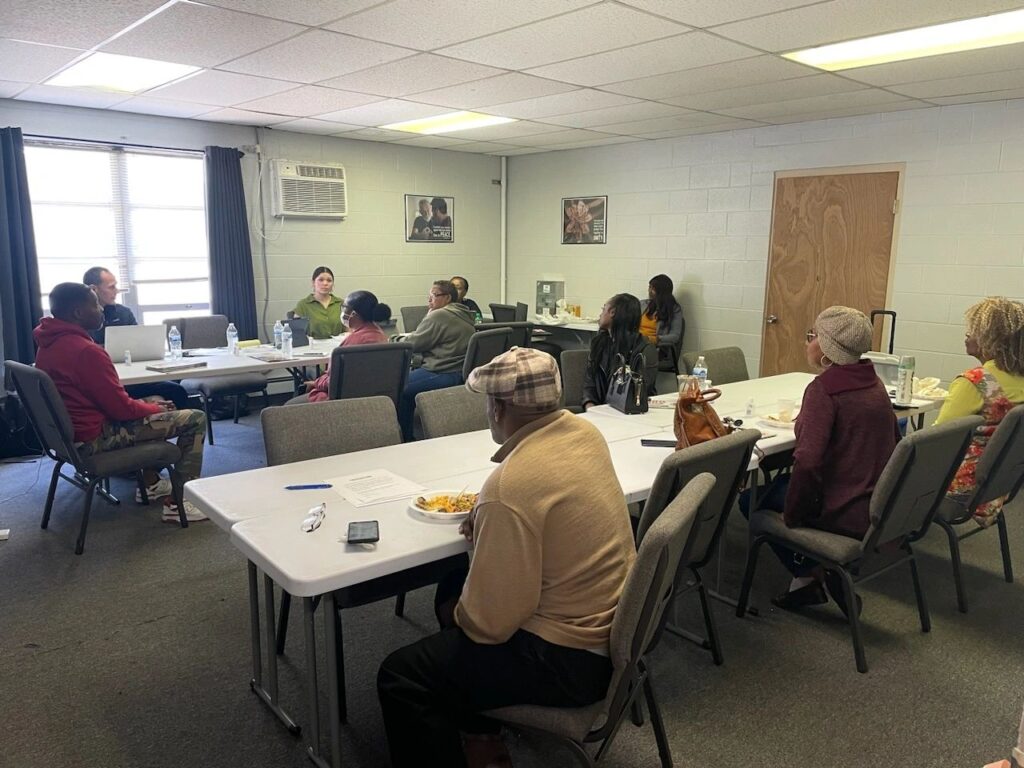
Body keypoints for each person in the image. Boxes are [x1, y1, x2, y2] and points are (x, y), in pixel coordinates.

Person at [377, 347, 635, 768]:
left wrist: (491, 529)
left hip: (568, 662)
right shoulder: (586, 435)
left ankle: (468, 730)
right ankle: (481, 734)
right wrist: (490, 527)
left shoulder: (510, 486)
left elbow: (488, 627)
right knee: (452, 585)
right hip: (611, 629)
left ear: (497, 408)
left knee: (402, 674)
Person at [743, 306, 899, 614]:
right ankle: (808, 579)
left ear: (829, 349)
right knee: (780, 482)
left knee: (749, 500)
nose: (807, 341)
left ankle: (811, 573)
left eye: (813, 336)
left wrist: (794, 515)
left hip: (844, 506)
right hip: (873, 500)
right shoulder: (874, 383)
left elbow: (809, 463)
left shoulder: (824, 391)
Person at [33, 283, 208, 522]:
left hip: (70, 437)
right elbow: (122, 410)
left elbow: (110, 402)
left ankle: (151, 483)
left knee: (157, 401)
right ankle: (181, 503)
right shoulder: (86, 351)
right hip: (95, 438)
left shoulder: (48, 344)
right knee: (194, 418)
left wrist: (150, 405)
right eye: (95, 304)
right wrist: (155, 408)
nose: (102, 309)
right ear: (77, 313)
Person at [933, 297, 1024, 527]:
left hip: (957, 490)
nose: (967, 334)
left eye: (973, 330)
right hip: (996, 486)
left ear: (992, 340)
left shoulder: (975, 382)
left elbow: (933, 444)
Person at [82, 266, 191, 415]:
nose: (117, 290)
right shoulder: (84, 319)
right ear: (94, 290)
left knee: (175, 387)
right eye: (111, 287)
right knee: (174, 390)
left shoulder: (123, 313)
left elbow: (139, 345)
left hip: (133, 374)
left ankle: (174, 428)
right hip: (108, 381)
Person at [393, 280, 475, 440]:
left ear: (447, 298)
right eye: (429, 296)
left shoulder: (441, 314)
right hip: (458, 371)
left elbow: (414, 344)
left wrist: (394, 339)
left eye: (434, 296)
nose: (429, 300)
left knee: (398, 388)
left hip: (441, 371)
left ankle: (407, 439)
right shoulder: (464, 312)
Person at [293, 291, 392, 404]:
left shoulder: (353, 344)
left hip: (343, 402)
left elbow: (336, 381)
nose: (342, 312)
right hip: (376, 399)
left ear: (353, 314)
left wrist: (316, 383)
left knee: (288, 407)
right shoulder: (381, 336)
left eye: (344, 307)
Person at [581, 293, 657, 410]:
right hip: (600, 410)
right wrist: (589, 405)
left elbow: (640, 391)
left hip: (629, 413)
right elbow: (589, 383)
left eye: (603, 309)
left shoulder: (644, 349)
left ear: (612, 312)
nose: (601, 314)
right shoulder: (599, 343)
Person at [292, 266, 344, 338]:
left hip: (338, 346)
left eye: (329, 280)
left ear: (333, 284)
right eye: (321, 280)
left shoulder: (341, 303)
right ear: (313, 283)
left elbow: (349, 331)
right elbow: (297, 334)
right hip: (313, 347)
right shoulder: (303, 305)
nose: (325, 283)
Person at [639, 273, 683, 352]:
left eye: (652, 288)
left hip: (655, 347)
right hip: (637, 341)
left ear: (661, 291)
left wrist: (655, 339)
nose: (649, 291)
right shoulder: (643, 304)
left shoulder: (674, 310)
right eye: (649, 287)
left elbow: (675, 336)